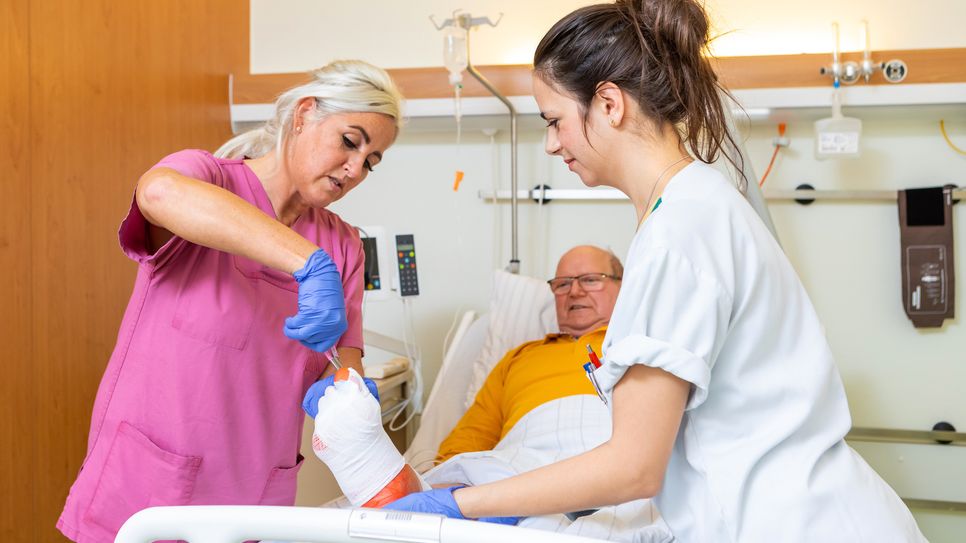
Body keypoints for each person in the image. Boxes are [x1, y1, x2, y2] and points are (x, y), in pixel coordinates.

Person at [384, 2, 926, 541]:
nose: (551, 143)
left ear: (609, 103)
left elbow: (633, 467)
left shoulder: (679, 232)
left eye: (554, 121)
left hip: (796, 521)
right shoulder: (691, 208)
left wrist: (462, 503)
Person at [57, 60, 402, 543]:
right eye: (350, 141)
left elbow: (343, 370)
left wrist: (348, 401)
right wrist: (308, 261)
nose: (355, 169)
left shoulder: (344, 246)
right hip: (150, 478)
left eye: (370, 161)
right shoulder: (209, 180)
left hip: (253, 490)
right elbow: (157, 192)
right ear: (304, 114)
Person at [436, 245, 622, 462]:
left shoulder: (642, 348)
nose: (574, 291)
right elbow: (468, 441)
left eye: (590, 280)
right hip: (522, 468)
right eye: (563, 284)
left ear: (623, 287)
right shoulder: (518, 358)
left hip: (613, 462)